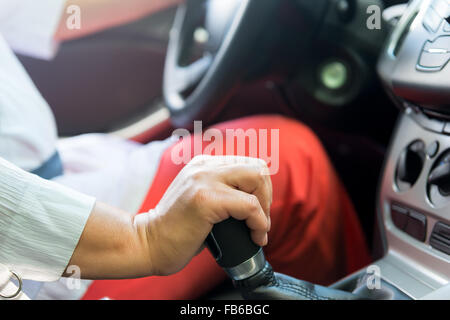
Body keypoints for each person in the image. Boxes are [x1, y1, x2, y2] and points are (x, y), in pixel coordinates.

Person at [0, 0, 371, 300]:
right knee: (288, 160)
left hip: (57, 178)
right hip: (36, 254)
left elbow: (57, 9)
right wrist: (144, 238)